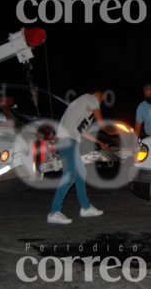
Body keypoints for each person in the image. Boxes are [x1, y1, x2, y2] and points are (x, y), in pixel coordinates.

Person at [47, 89, 116, 224]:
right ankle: (54, 212)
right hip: (67, 140)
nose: (101, 101)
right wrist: (111, 131)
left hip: (69, 139)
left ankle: (85, 208)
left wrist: (100, 142)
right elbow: (101, 122)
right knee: (70, 175)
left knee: (81, 173)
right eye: (102, 98)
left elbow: (82, 132)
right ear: (97, 94)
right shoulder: (90, 98)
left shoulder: (83, 108)